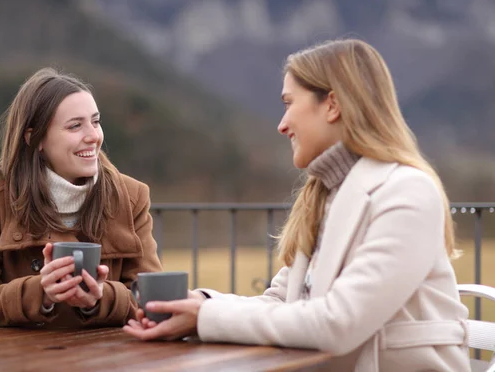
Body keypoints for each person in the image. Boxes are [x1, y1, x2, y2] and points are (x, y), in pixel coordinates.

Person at [123, 39, 471, 371]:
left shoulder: (407, 192)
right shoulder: (323, 196)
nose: (281, 124)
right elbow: (280, 302)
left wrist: (207, 318)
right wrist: (200, 305)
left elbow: (339, 323)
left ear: (332, 105)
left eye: (289, 103)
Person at [0, 67, 163, 328]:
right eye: (75, 126)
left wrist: (99, 298)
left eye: (95, 121)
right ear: (34, 138)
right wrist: (40, 293)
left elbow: (154, 303)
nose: (94, 136)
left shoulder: (131, 197)